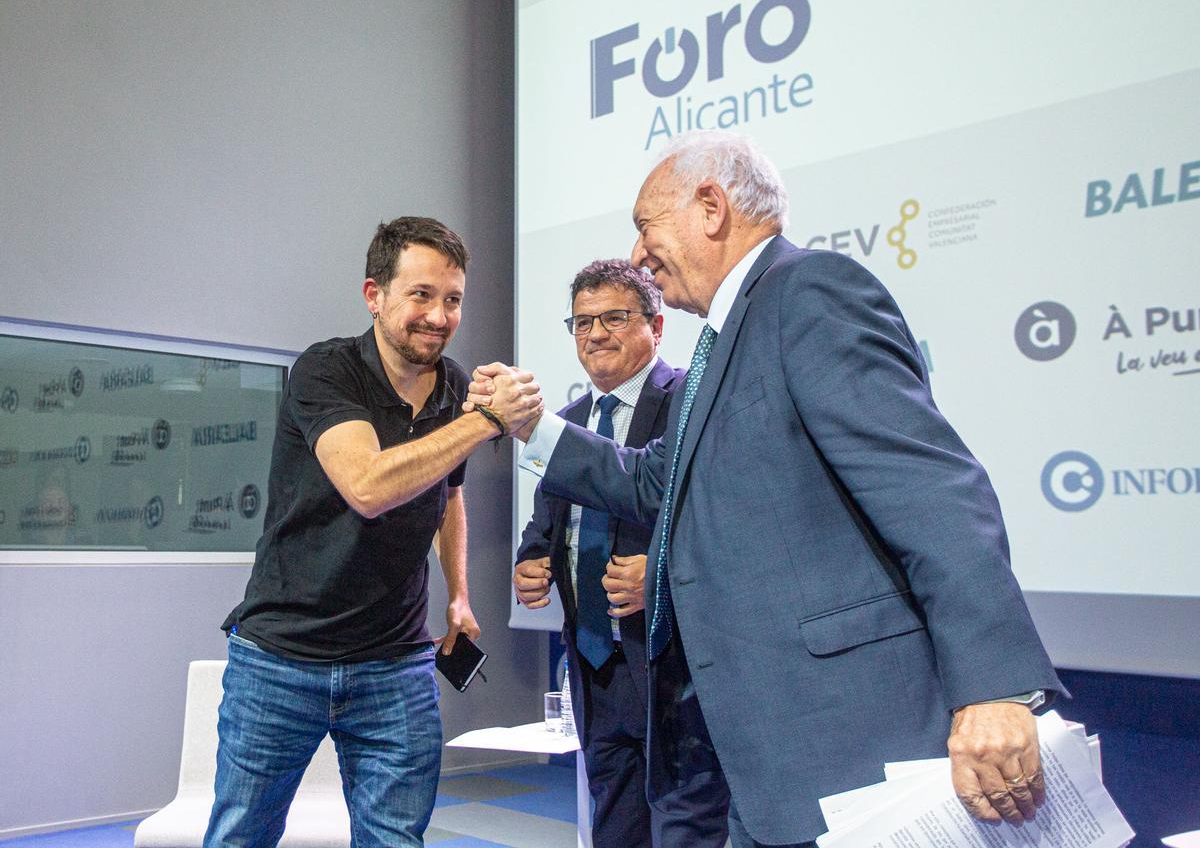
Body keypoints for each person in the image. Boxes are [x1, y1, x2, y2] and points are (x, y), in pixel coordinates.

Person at [471, 132, 1064, 848]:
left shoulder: (809, 293)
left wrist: (994, 686)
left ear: (711, 206)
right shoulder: (722, 340)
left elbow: (934, 494)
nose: (638, 253)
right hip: (761, 754)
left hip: (848, 743)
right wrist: (532, 425)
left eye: (645, 226)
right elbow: (655, 479)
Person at [204, 216, 542, 848]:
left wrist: (459, 594)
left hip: (396, 664)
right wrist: (485, 421)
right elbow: (367, 486)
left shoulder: (455, 386)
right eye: (421, 295)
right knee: (240, 837)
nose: (438, 317)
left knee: (395, 840)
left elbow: (447, 494)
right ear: (374, 295)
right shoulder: (325, 369)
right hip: (282, 658)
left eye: (452, 300)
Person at [513, 259, 728, 848]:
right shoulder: (565, 424)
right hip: (594, 666)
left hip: (672, 668)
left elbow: (720, 520)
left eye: (614, 318)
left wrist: (659, 574)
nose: (595, 334)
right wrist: (531, 562)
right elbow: (545, 525)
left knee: (686, 828)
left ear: (656, 326)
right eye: (582, 322)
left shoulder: (689, 402)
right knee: (615, 827)